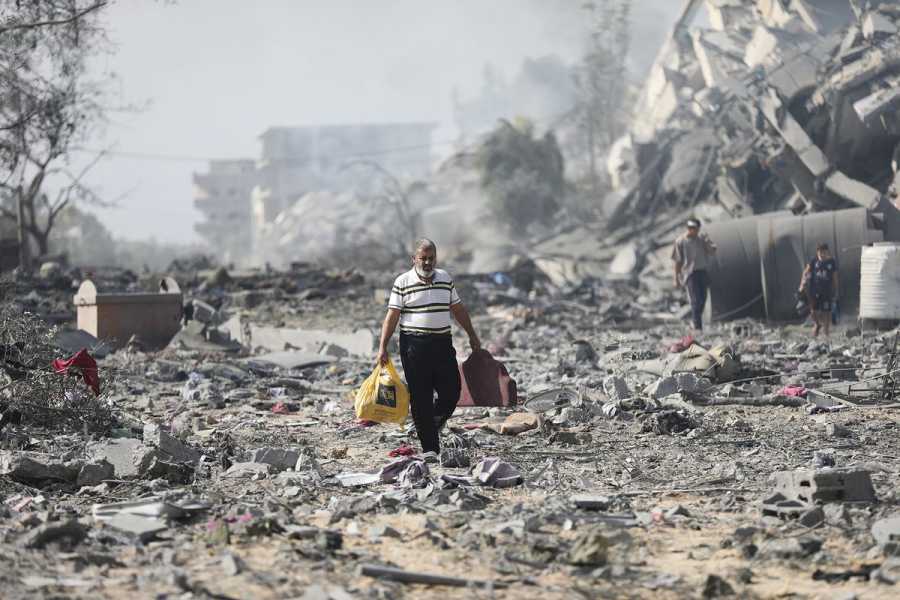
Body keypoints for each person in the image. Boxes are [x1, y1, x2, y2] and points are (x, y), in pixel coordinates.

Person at [376, 238, 481, 462]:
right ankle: (430, 448)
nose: (427, 262)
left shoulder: (445, 279)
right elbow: (392, 316)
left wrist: (472, 335)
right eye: (422, 258)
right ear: (413, 259)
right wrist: (383, 346)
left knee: (452, 391)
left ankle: (430, 422)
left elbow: (458, 309)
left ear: (436, 258)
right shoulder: (402, 282)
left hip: (443, 343)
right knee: (421, 396)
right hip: (414, 345)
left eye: (431, 258)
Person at [672, 217, 717, 333]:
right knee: (695, 300)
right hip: (690, 274)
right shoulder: (680, 241)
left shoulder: (701, 239)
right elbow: (678, 261)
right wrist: (676, 278)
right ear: (688, 228)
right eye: (690, 228)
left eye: (695, 228)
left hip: (702, 271)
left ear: (698, 228)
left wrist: (707, 242)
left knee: (703, 299)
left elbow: (712, 251)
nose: (693, 230)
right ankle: (698, 327)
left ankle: (695, 321)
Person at [800, 243, 839, 337]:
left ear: (827, 252)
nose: (822, 254)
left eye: (824, 252)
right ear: (817, 252)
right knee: (813, 311)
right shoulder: (814, 261)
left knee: (827, 312)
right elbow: (805, 272)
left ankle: (826, 332)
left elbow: (835, 277)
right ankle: (817, 324)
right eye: (820, 252)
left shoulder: (831, 262)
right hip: (814, 291)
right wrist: (802, 284)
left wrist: (836, 290)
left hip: (826, 291)